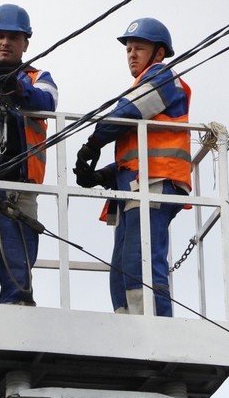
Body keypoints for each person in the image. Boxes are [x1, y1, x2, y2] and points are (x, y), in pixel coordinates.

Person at [74, 18, 191, 317]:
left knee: (141, 256)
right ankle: (126, 317)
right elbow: (133, 154)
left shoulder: (164, 78)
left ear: (160, 53)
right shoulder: (143, 85)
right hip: (137, 183)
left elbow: (126, 114)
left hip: (155, 181)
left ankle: (153, 321)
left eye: (139, 47)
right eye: (128, 49)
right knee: (124, 259)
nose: (132, 54)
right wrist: (102, 175)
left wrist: (94, 141)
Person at [0, 4, 58, 305]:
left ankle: (18, 307)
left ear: (26, 43)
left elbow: (47, 101)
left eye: (13, 37)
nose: (5, 43)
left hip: (19, 190)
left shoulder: (38, 77)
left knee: (17, 269)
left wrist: (16, 89)